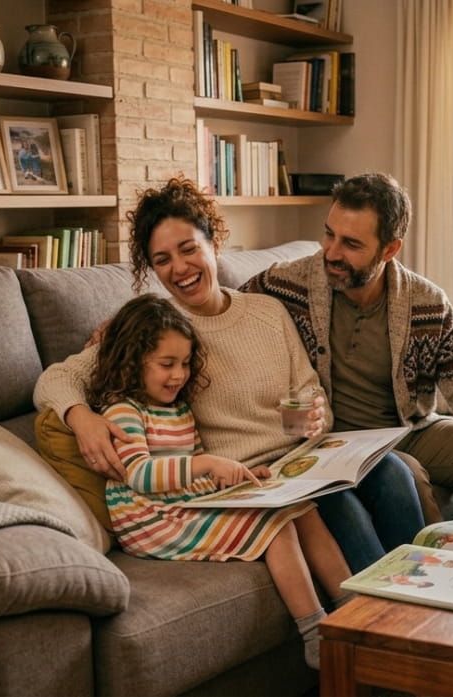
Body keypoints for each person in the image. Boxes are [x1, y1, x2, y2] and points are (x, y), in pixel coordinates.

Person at [33, 175, 425, 573]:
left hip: (301, 460)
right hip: (244, 483)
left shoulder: (267, 311)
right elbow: (54, 379)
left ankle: (425, 588)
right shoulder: (150, 331)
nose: (180, 268)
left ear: (214, 245)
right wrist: (80, 418)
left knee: (393, 472)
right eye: (162, 260)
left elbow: (309, 392)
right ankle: (381, 617)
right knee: (341, 507)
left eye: (189, 250)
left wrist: (315, 416)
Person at [241, 172, 453, 518]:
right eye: (329, 234)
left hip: (408, 431)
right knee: (406, 474)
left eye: (351, 244)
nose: (331, 253)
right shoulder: (286, 283)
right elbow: (223, 312)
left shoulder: (426, 303)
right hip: (328, 441)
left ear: (390, 248)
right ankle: (429, 565)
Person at [88, 292, 351, 670]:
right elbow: (140, 475)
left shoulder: (178, 409)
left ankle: (350, 610)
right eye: (166, 364)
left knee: (300, 509)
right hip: (151, 521)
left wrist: (242, 479)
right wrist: (207, 464)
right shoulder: (123, 411)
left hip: (182, 504)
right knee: (276, 526)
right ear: (133, 360)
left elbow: (196, 470)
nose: (178, 374)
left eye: (184, 363)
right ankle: (315, 632)